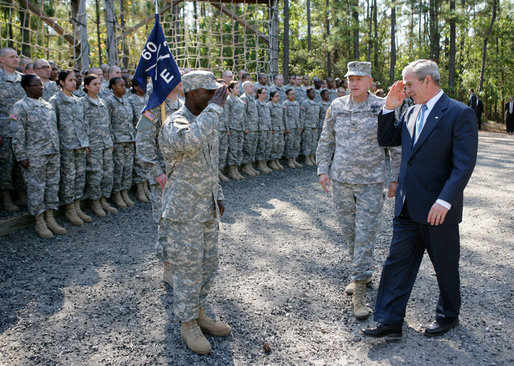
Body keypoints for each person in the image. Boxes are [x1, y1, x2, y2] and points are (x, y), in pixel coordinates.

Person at [362, 59, 478, 338]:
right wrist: (389, 107)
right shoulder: (412, 111)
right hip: (407, 206)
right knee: (396, 263)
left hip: (438, 208)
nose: (406, 89)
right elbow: (387, 138)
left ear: (429, 80)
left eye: (409, 84)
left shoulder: (459, 113)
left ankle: (448, 315)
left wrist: (445, 201)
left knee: (445, 266)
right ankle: (389, 320)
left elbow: (463, 164)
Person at [317, 61, 401, 320]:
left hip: (370, 183)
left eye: (359, 78)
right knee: (351, 234)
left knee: (365, 235)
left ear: (369, 81)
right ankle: (361, 273)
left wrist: (395, 178)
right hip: (341, 181)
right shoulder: (337, 106)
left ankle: (360, 291)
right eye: (350, 78)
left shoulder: (382, 107)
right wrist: (322, 169)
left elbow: (395, 146)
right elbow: (326, 139)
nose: (353, 83)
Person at [156, 70, 231, 355]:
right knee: (187, 270)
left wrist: (218, 194)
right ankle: (187, 323)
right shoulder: (175, 122)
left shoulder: (204, 120)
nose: (214, 96)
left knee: (208, 264)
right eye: (208, 92)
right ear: (190, 94)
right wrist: (215, 108)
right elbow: (191, 143)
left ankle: (199, 312)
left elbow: (209, 163)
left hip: (206, 206)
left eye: (215, 92)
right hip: (184, 211)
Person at [11, 74, 65, 238]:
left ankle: (50, 218)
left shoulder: (48, 105)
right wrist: (21, 156)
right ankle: (39, 221)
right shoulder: (20, 107)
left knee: (52, 186)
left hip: (52, 153)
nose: (40, 87)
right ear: (27, 87)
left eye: (41, 85)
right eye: (36, 85)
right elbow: (17, 134)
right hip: (34, 155)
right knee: (36, 189)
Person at [136, 83, 183, 224]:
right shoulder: (154, 108)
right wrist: (156, 172)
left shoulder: (185, 106)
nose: (181, 80)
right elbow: (143, 143)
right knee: (165, 221)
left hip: (185, 172)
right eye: (176, 76)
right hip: (164, 172)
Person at [49, 70, 91, 226]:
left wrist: (85, 143)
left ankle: (77, 206)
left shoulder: (78, 100)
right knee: (69, 177)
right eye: (70, 80)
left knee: (79, 176)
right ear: (61, 82)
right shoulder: (55, 101)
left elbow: (83, 124)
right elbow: (53, 126)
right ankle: (69, 209)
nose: (74, 82)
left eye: (75, 80)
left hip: (79, 145)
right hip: (66, 145)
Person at [82, 74, 117, 217]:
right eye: (94, 84)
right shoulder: (82, 103)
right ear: (86, 86)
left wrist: (111, 140)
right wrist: (85, 144)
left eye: (99, 84)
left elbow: (109, 124)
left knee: (108, 173)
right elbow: (82, 125)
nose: (98, 86)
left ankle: (104, 199)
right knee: (95, 174)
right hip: (93, 144)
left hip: (106, 143)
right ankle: (95, 201)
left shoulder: (103, 102)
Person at [0, 47, 26, 211]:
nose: (15, 59)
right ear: (1, 59)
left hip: (22, 129)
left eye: (17, 56)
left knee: (21, 162)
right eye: (11, 57)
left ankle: (22, 193)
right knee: (5, 164)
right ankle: (6, 197)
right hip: (4, 129)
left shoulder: (24, 79)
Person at [105, 77, 135, 208]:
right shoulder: (109, 102)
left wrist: (133, 137)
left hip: (128, 139)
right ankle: (117, 193)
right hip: (117, 140)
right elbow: (108, 123)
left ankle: (125, 191)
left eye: (125, 85)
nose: (124, 88)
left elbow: (131, 121)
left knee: (128, 167)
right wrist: (111, 140)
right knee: (119, 168)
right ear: (113, 86)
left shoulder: (127, 101)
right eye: (121, 85)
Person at [128, 79, 149, 202]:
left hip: (148, 134)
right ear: (135, 87)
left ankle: (146, 185)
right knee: (138, 162)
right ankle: (140, 188)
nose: (144, 87)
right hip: (137, 134)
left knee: (147, 161)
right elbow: (129, 120)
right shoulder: (130, 100)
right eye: (142, 85)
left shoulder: (149, 99)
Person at [240, 81, 260, 177]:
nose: (253, 88)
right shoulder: (244, 98)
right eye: (250, 86)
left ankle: (250, 165)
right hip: (249, 128)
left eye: (253, 86)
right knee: (248, 148)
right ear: (245, 89)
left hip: (254, 127)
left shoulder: (251, 98)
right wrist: (245, 127)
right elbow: (243, 114)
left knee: (252, 147)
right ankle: (246, 167)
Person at [300, 87, 321, 166]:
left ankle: (312, 157)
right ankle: (307, 158)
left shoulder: (315, 103)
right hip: (307, 126)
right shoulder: (305, 103)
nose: (314, 94)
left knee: (314, 143)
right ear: (308, 94)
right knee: (307, 142)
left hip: (314, 126)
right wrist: (302, 126)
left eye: (314, 93)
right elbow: (302, 115)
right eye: (312, 93)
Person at [282, 88, 302, 168]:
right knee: (289, 143)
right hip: (290, 126)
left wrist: (300, 126)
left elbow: (299, 116)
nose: (293, 95)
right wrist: (286, 127)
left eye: (294, 94)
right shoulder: (285, 104)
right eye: (291, 94)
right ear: (287, 95)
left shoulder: (297, 103)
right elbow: (284, 116)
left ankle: (294, 159)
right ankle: (289, 160)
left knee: (296, 143)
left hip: (297, 126)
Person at [255, 87, 273, 173]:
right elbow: (256, 117)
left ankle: (265, 163)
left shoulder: (266, 104)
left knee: (267, 146)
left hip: (267, 128)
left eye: (266, 93)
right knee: (261, 147)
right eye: (263, 93)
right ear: (258, 94)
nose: (265, 95)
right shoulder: (256, 104)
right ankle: (260, 164)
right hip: (261, 128)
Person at [268, 90, 285, 170]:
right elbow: (268, 118)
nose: (278, 98)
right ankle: (272, 161)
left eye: (279, 96)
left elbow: (282, 118)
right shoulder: (269, 106)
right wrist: (270, 128)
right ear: (271, 97)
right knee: (273, 145)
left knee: (280, 145)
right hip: (273, 129)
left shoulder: (280, 105)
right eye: (276, 96)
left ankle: (277, 160)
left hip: (280, 128)